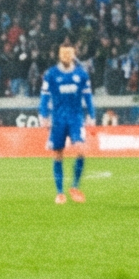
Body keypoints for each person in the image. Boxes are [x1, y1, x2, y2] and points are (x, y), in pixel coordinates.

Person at [39, 42, 95, 203]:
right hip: (58, 119)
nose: (66, 56)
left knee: (81, 150)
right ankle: (60, 193)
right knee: (58, 154)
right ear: (59, 54)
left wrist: (91, 115)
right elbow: (44, 97)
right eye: (63, 53)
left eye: (68, 53)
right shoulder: (51, 74)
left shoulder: (81, 74)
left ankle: (75, 187)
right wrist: (43, 115)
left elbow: (88, 96)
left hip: (76, 118)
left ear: (73, 54)